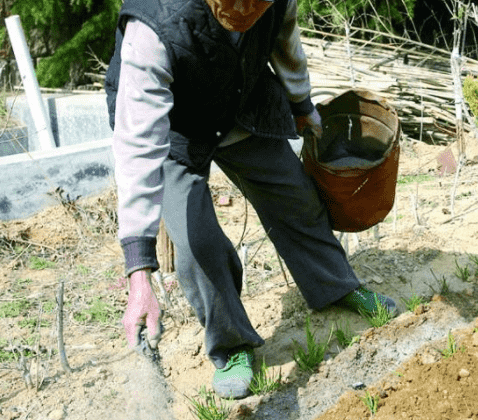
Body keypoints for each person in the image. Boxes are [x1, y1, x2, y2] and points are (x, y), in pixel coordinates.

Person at [105, 0, 397, 400]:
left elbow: (285, 39)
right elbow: (138, 147)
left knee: (294, 195)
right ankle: (231, 346)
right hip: (174, 128)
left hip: (238, 100)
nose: (244, 10)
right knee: (197, 243)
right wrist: (139, 267)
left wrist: (301, 102)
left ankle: (335, 286)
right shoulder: (154, 29)